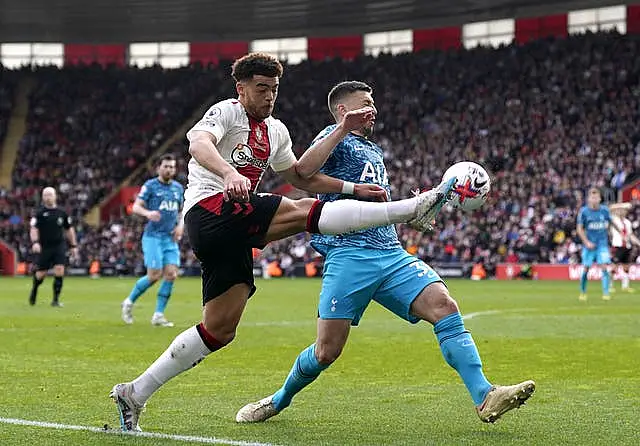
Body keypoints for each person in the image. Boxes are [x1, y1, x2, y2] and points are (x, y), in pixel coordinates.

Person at [109, 53, 455, 431]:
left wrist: (354, 188)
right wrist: (227, 172)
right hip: (210, 209)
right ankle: (411, 209)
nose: (269, 96)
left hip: (233, 229)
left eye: (274, 89)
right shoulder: (226, 112)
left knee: (219, 329)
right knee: (307, 211)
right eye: (261, 89)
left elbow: (302, 176)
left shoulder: (276, 130)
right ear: (240, 89)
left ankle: (135, 392)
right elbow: (198, 144)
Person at [235, 81, 535, 425]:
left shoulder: (374, 151)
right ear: (344, 110)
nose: (373, 109)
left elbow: (376, 204)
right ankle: (278, 399)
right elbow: (302, 173)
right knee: (326, 351)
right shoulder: (334, 137)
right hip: (349, 254)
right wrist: (340, 129)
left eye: (373, 102)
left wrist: (414, 213)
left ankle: (484, 395)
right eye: (365, 103)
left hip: (390, 252)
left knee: (444, 306)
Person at [121, 154, 184, 327]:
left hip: (170, 238)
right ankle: (129, 302)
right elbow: (136, 206)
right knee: (154, 275)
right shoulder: (150, 186)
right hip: (153, 237)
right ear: (158, 168)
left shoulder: (178, 188)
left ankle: (158, 315)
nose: (169, 169)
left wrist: (180, 226)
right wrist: (148, 213)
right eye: (166, 166)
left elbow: (181, 211)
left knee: (171, 274)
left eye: (172, 167)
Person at [28, 187, 78, 307]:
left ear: (55, 196)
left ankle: (55, 300)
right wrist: (35, 242)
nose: (48, 197)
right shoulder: (39, 213)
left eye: (50, 195)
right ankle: (34, 289)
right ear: (42, 197)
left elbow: (69, 229)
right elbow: (34, 229)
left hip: (59, 245)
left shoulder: (62, 213)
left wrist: (73, 245)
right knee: (41, 274)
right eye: (45, 195)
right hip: (45, 246)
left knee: (60, 270)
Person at [577, 188, 623, 301]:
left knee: (604, 267)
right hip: (589, 245)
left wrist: (620, 231)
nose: (594, 200)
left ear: (599, 199)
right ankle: (582, 292)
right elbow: (579, 229)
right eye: (592, 197)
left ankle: (606, 293)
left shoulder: (604, 210)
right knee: (586, 268)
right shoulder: (584, 212)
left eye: (596, 197)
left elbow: (611, 221)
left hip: (602, 244)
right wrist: (586, 242)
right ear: (588, 199)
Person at [609, 203, 640, 293]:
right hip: (617, 245)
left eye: (624, 210)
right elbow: (610, 209)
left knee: (626, 266)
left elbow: (630, 235)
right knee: (614, 266)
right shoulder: (614, 220)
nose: (622, 212)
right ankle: (610, 285)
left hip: (627, 246)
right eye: (621, 210)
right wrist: (623, 205)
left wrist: (638, 243)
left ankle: (625, 285)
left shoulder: (627, 222)